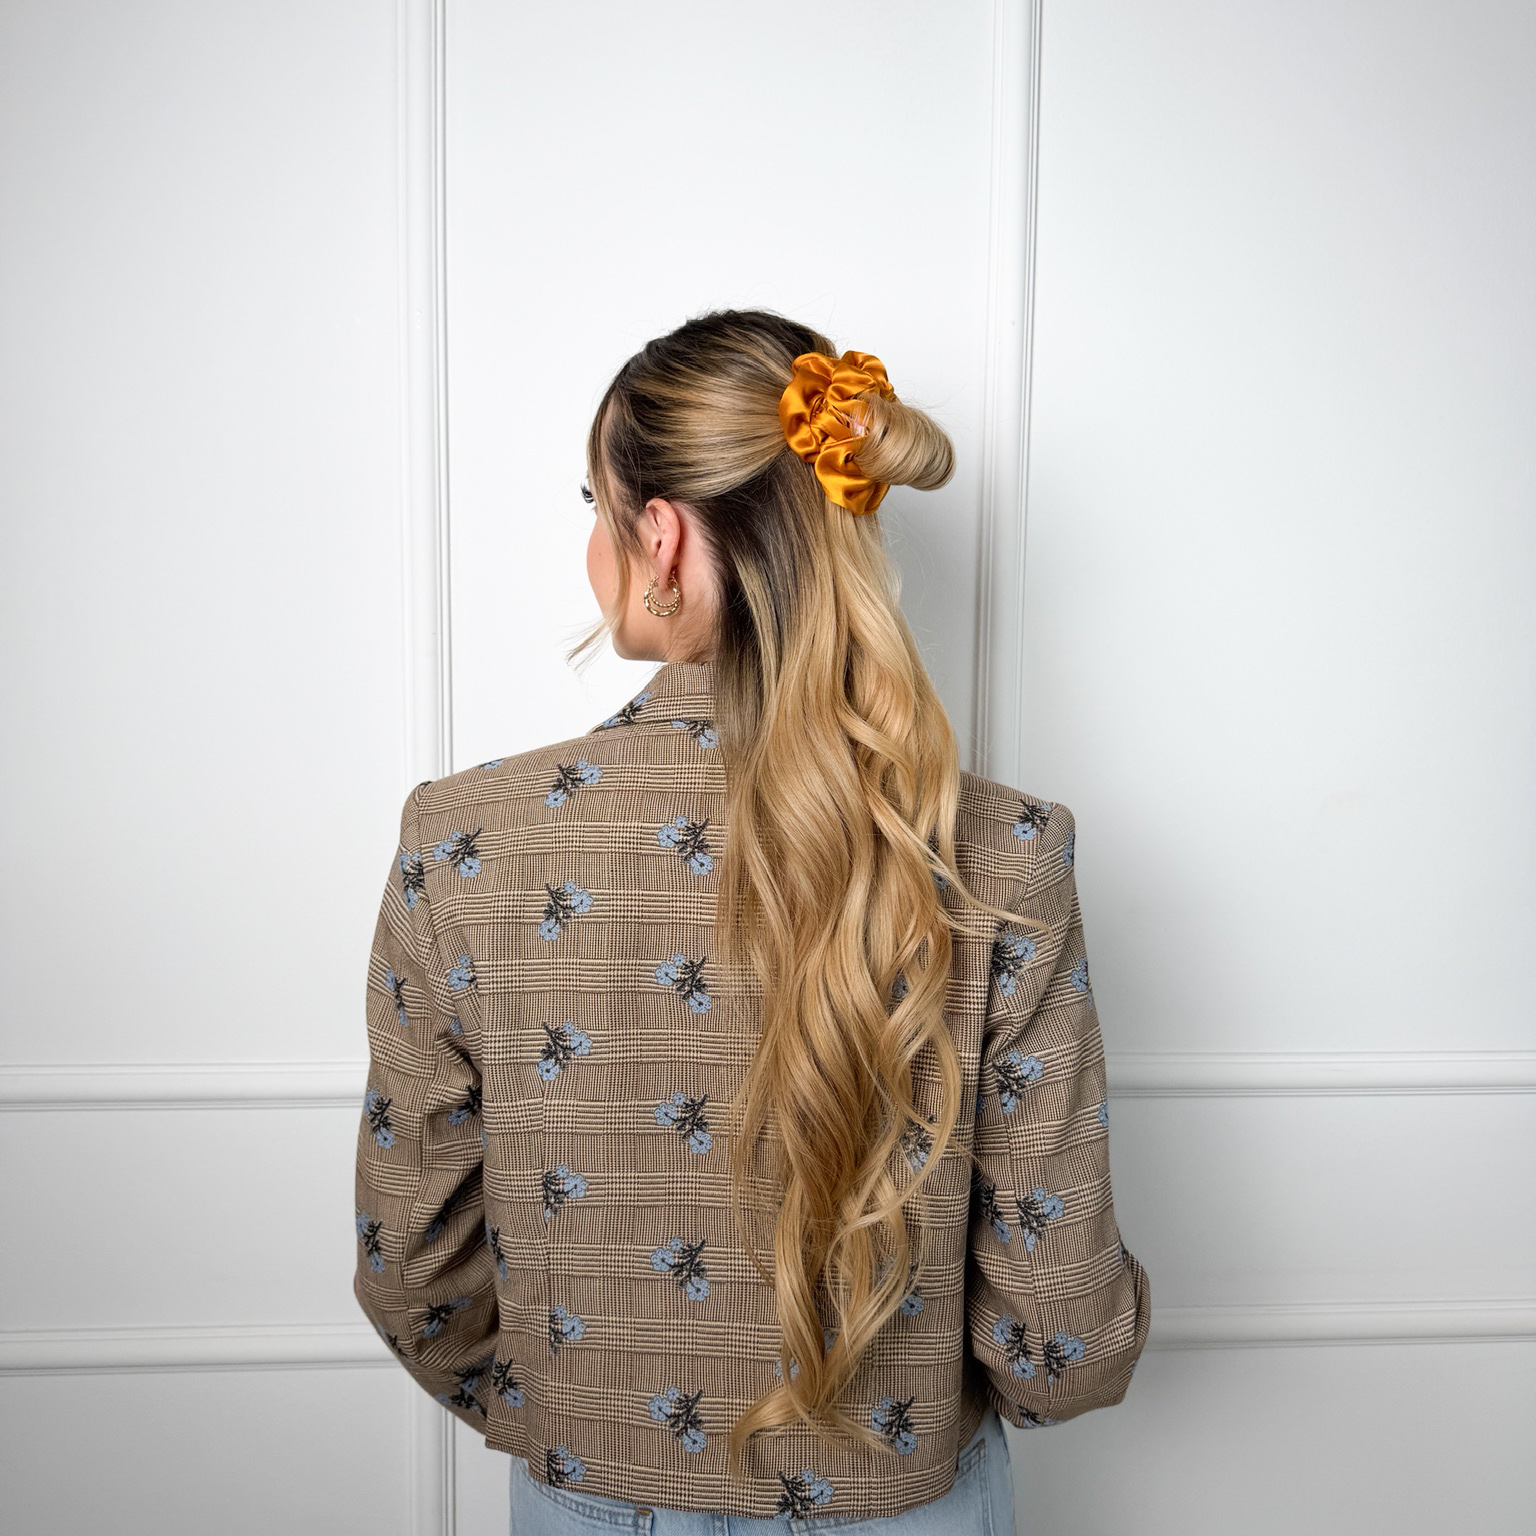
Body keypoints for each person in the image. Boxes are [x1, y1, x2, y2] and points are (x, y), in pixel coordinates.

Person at [353, 309, 1152, 1533]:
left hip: (589, 1495)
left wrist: (579, 1410)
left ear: (661, 535)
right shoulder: (1007, 854)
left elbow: (412, 1271)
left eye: (596, 505)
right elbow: (1065, 1335)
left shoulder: (463, 843)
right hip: (905, 1501)